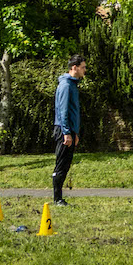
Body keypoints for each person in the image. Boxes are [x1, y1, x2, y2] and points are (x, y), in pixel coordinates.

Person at [51, 54, 85, 206]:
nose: (85, 70)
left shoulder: (73, 85)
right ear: (74, 67)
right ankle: (57, 198)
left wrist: (75, 133)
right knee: (61, 164)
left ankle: (59, 198)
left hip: (70, 130)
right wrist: (66, 132)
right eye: (83, 67)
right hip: (63, 130)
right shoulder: (65, 85)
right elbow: (63, 111)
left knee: (66, 164)